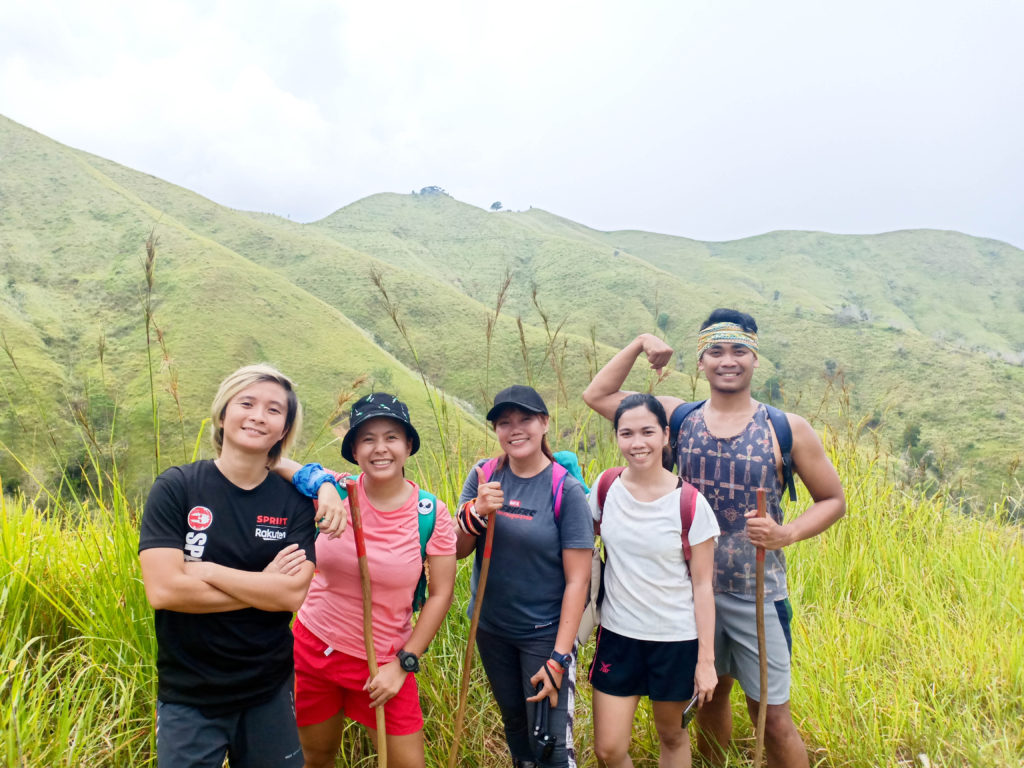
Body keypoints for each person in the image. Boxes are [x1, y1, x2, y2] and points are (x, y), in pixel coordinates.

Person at [583, 309, 845, 768]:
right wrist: (641, 340)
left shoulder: (785, 428)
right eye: (716, 351)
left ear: (755, 358)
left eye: (739, 350)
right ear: (700, 361)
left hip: (756, 593)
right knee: (709, 701)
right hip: (685, 598)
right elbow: (599, 395)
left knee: (773, 717)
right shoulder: (678, 418)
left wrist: (787, 533)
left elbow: (832, 500)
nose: (728, 360)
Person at [139, 363, 317, 768]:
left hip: (268, 691)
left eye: (274, 410)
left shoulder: (294, 503)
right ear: (223, 414)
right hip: (189, 694)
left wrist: (207, 571)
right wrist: (261, 587)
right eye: (247, 403)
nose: (258, 416)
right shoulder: (177, 488)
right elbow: (164, 591)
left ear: (284, 429)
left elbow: (291, 595)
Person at [275, 392, 457, 768]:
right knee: (316, 758)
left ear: (408, 445)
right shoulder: (336, 492)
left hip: (385, 664)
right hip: (314, 649)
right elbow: (276, 461)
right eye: (368, 439)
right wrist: (323, 484)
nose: (380, 448)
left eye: (391, 437)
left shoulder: (430, 513)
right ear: (354, 450)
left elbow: (441, 593)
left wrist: (405, 662)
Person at [455, 385, 593, 768]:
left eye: (525, 419)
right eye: (504, 422)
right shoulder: (483, 474)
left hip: (545, 636)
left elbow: (578, 582)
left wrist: (559, 659)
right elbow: (457, 549)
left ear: (544, 423)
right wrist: (476, 512)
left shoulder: (565, 489)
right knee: (516, 727)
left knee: (549, 744)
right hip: (491, 628)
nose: (515, 429)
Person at [589, 394, 719, 768]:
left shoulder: (691, 504)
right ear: (616, 437)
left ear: (665, 435)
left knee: (672, 736)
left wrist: (705, 661)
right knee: (609, 749)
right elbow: (581, 543)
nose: (637, 443)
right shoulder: (605, 487)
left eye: (647, 431)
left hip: (675, 640)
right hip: (617, 635)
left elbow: (703, 587)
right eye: (626, 433)